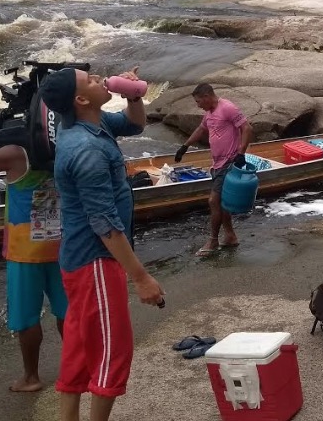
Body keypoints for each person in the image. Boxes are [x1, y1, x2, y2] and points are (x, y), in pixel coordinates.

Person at [38, 67, 165, 421]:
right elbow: (104, 224)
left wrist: (134, 96)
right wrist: (141, 277)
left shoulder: (92, 124)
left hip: (79, 258)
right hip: (96, 260)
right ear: (81, 99)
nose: (100, 79)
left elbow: (134, 124)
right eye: (91, 80)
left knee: (79, 346)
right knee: (113, 350)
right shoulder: (87, 149)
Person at [0, 112, 67, 394]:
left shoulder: (15, 154)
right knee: (68, 311)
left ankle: (31, 377)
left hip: (24, 251)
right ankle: (77, 366)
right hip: (62, 244)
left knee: (27, 317)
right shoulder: (65, 144)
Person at [174, 84, 254, 257]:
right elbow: (201, 129)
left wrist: (241, 153)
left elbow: (247, 128)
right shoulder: (209, 113)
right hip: (216, 164)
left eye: (198, 101)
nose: (198, 105)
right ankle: (230, 236)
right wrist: (184, 147)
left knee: (213, 201)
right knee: (222, 202)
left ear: (207, 96)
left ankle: (213, 241)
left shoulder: (227, 108)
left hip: (229, 162)